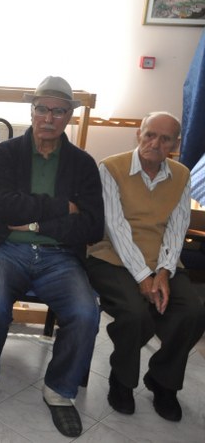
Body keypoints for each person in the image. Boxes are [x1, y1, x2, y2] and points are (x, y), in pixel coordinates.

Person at [0, 76, 103, 438]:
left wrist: (37, 223)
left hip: (60, 257)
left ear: (69, 116)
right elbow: (6, 207)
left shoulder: (84, 164)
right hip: (6, 249)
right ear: (32, 110)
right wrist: (62, 208)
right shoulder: (5, 154)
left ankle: (59, 391)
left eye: (58, 111)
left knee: (86, 313)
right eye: (42, 109)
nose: (48, 118)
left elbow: (92, 226)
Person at [86, 112, 205, 422]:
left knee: (192, 312)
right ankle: (122, 381)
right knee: (135, 313)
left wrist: (163, 271)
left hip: (162, 259)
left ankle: (163, 382)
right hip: (111, 256)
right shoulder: (111, 168)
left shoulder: (181, 175)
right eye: (150, 134)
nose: (155, 143)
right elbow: (115, 227)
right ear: (138, 134)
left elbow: (177, 228)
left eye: (165, 139)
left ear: (175, 145)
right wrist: (144, 277)